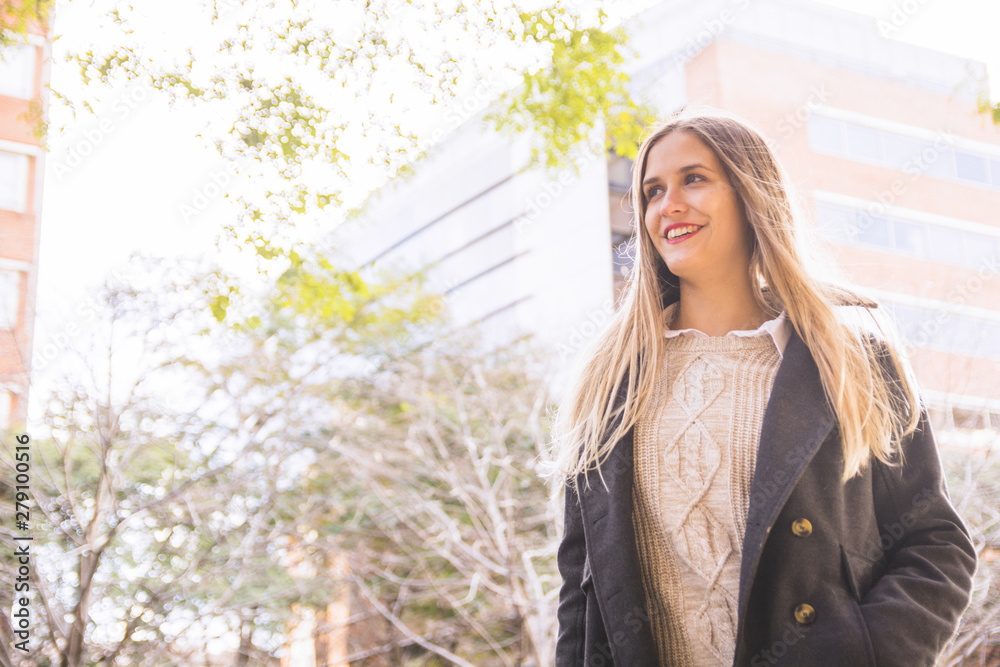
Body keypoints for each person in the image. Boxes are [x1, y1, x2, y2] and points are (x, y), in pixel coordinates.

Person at [548, 107, 978, 666]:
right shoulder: (608, 380)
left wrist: (866, 653)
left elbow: (934, 542)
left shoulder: (847, 354)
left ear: (752, 194)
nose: (668, 205)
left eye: (694, 179)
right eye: (652, 191)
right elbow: (580, 594)